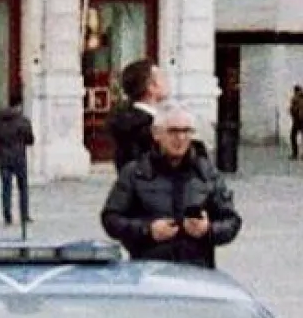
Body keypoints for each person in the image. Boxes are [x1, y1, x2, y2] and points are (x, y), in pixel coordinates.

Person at [101, 103, 241, 267]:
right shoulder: (135, 173)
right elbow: (111, 219)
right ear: (156, 134)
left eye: (186, 131)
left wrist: (207, 229)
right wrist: (147, 230)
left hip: (197, 269)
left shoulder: (206, 173)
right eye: (173, 131)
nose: (180, 138)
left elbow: (231, 221)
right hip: (148, 268)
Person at [107, 56, 169, 170]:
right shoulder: (147, 127)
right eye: (162, 77)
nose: (167, 81)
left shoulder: (127, 121)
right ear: (151, 87)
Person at [0, 86, 34, 230]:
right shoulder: (23, 121)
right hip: (19, 158)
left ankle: (7, 215)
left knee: (6, 187)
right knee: (23, 187)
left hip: (3, 158)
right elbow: (30, 140)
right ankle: (24, 214)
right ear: (19, 105)